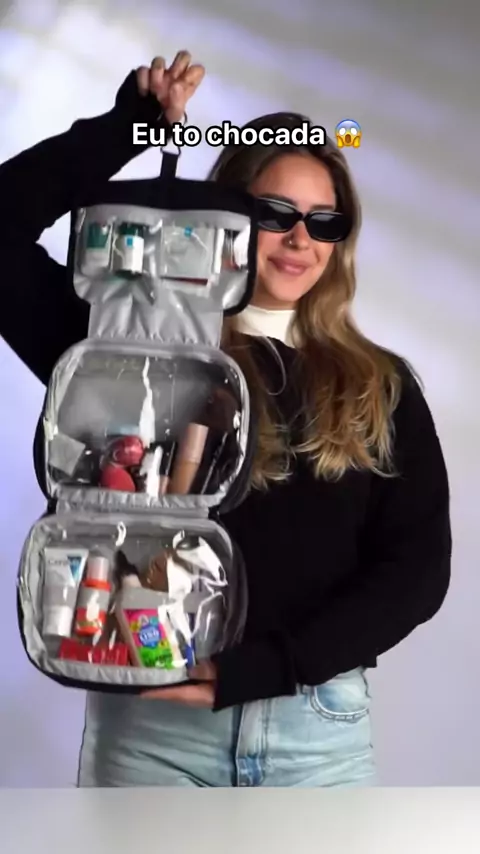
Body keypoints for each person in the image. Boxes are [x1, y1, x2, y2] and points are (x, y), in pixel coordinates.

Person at [0, 51, 451, 788]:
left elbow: (416, 571)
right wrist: (126, 130)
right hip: (153, 735)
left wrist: (271, 667)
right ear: (227, 217)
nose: (301, 238)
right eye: (275, 214)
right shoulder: (127, 350)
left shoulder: (378, 386)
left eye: (324, 221)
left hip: (315, 734)